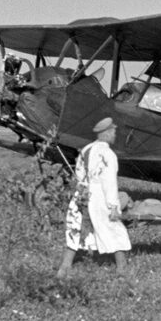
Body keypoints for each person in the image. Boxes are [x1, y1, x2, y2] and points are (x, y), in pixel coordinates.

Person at [56, 118, 131, 278]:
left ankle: (65, 267)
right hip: (99, 196)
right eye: (114, 132)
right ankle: (122, 268)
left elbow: (79, 174)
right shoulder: (108, 154)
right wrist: (113, 207)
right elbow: (109, 182)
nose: (115, 135)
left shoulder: (86, 149)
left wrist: (83, 187)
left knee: (75, 228)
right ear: (108, 133)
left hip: (82, 193)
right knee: (112, 228)